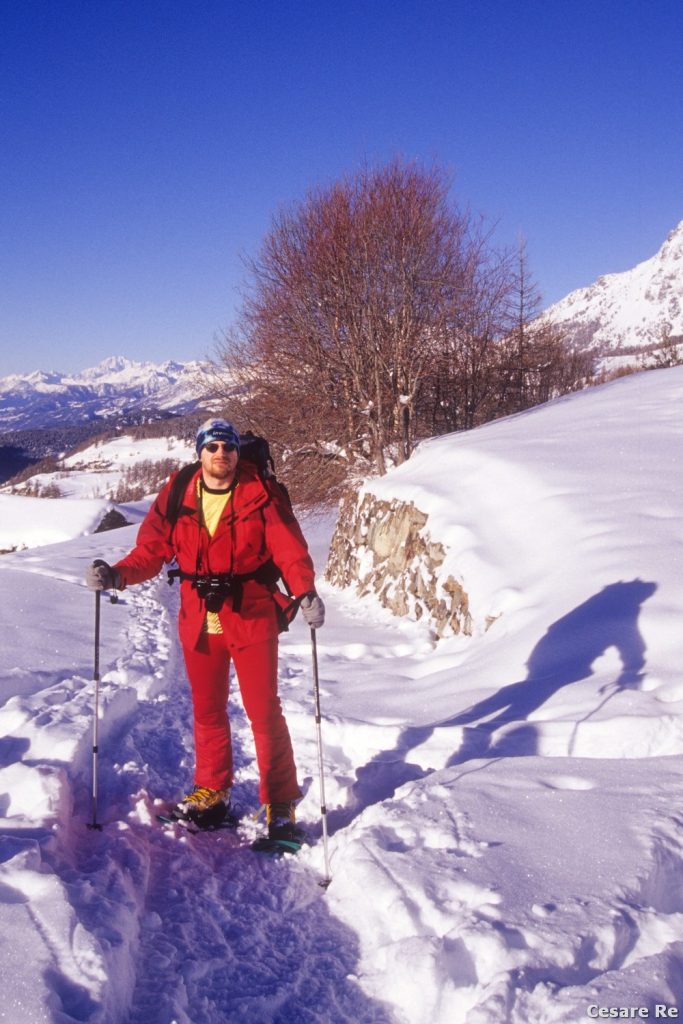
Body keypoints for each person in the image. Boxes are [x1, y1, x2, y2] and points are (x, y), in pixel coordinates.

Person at [86, 418, 325, 841]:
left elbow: (290, 549)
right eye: (212, 447)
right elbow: (152, 550)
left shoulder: (261, 494)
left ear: (237, 452)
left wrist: (304, 591)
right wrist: (116, 575)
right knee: (208, 709)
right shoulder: (179, 491)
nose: (221, 454)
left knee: (263, 710)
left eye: (228, 447)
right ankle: (212, 793)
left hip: (251, 612)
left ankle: (280, 801)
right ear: (199, 453)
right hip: (199, 617)